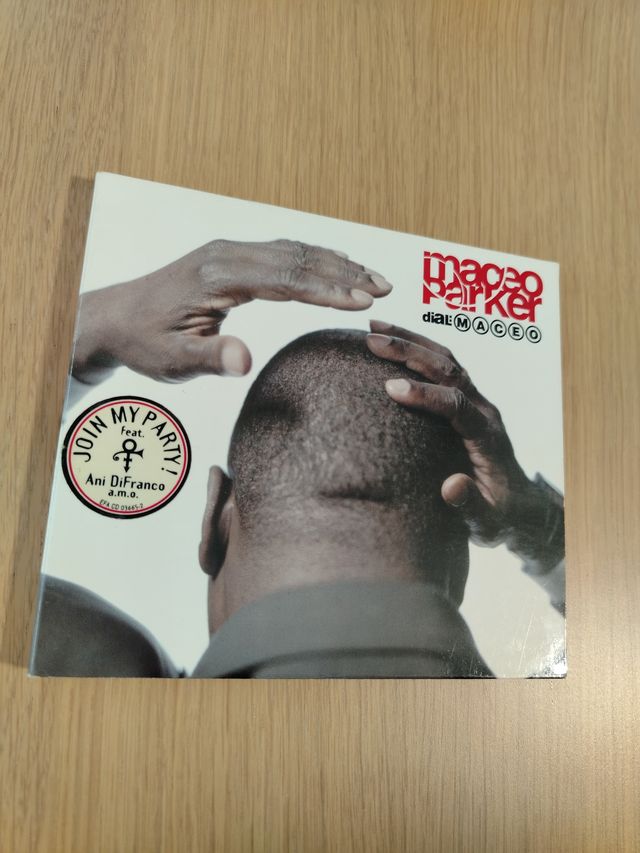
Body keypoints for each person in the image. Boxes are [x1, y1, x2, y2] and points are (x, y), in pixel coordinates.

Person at [30, 240, 564, 677]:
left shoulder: (78, 671)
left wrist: (89, 328)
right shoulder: (553, 727)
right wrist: (540, 527)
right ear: (461, 563)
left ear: (216, 523)